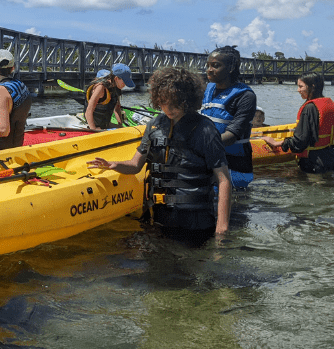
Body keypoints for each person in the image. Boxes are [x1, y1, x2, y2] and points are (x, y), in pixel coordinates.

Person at [87, 67, 231, 243]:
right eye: (163, 102)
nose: (169, 108)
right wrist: (114, 165)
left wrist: (221, 229)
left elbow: (224, 180)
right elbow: (135, 165)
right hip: (160, 218)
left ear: (187, 100)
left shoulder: (205, 129)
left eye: (175, 103)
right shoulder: (154, 125)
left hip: (196, 222)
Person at [261, 71, 334, 173]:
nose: (298, 90)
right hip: (331, 161)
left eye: (301, 86)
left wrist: (277, 143)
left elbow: (300, 142)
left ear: (312, 87)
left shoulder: (309, 108)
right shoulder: (329, 105)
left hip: (314, 163)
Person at [200, 46, 257, 189]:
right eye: (208, 65)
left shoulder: (246, 96)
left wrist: (197, 145)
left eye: (215, 65)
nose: (209, 70)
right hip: (208, 162)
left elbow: (232, 136)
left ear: (231, 67)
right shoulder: (206, 89)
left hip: (233, 166)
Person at [84, 63, 136, 130]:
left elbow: (117, 109)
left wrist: (120, 125)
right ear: (116, 78)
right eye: (124, 82)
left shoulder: (116, 88)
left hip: (105, 124)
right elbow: (89, 111)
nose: (125, 85)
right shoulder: (101, 88)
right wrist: (94, 130)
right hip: (93, 126)